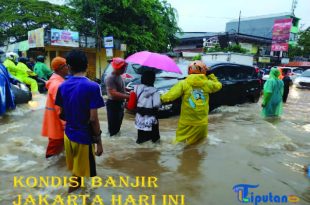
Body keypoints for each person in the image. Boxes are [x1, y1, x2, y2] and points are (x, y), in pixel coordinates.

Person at [55, 49, 104, 193]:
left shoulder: (62, 86)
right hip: (83, 138)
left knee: (77, 172)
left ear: (69, 67)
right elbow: (93, 119)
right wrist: (99, 143)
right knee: (78, 177)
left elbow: (62, 113)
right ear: (87, 66)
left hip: (68, 136)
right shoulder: (93, 87)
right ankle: (67, 198)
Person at [161, 61, 222, 145]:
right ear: (204, 71)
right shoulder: (208, 84)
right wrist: (210, 74)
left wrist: (158, 98)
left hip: (186, 123)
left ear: (189, 70)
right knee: (200, 144)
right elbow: (218, 85)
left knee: (178, 145)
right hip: (202, 123)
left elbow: (168, 97)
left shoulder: (183, 83)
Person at [42, 57, 69, 158]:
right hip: (58, 126)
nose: (68, 67)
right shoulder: (58, 85)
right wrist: (65, 125)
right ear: (61, 68)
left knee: (57, 154)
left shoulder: (56, 82)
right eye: (66, 65)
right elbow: (60, 108)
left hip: (55, 124)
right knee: (52, 156)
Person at [134, 70, 161, 144]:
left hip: (139, 117)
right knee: (154, 140)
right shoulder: (155, 91)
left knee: (141, 138)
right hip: (151, 117)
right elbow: (157, 104)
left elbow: (134, 99)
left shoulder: (136, 88)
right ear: (153, 79)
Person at [104, 57, 129, 136]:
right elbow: (113, 93)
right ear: (116, 68)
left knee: (117, 126)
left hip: (119, 104)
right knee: (113, 129)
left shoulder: (119, 76)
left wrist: (127, 92)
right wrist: (128, 97)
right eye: (122, 68)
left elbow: (120, 89)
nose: (124, 69)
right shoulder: (110, 78)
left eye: (124, 67)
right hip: (113, 104)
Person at [0, 50, 17, 115]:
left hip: (5, 91)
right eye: (3, 56)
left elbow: (9, 75)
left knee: (6, 109)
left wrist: (16, 81)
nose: (4, 58)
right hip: (1, 92)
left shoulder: (2, 66)